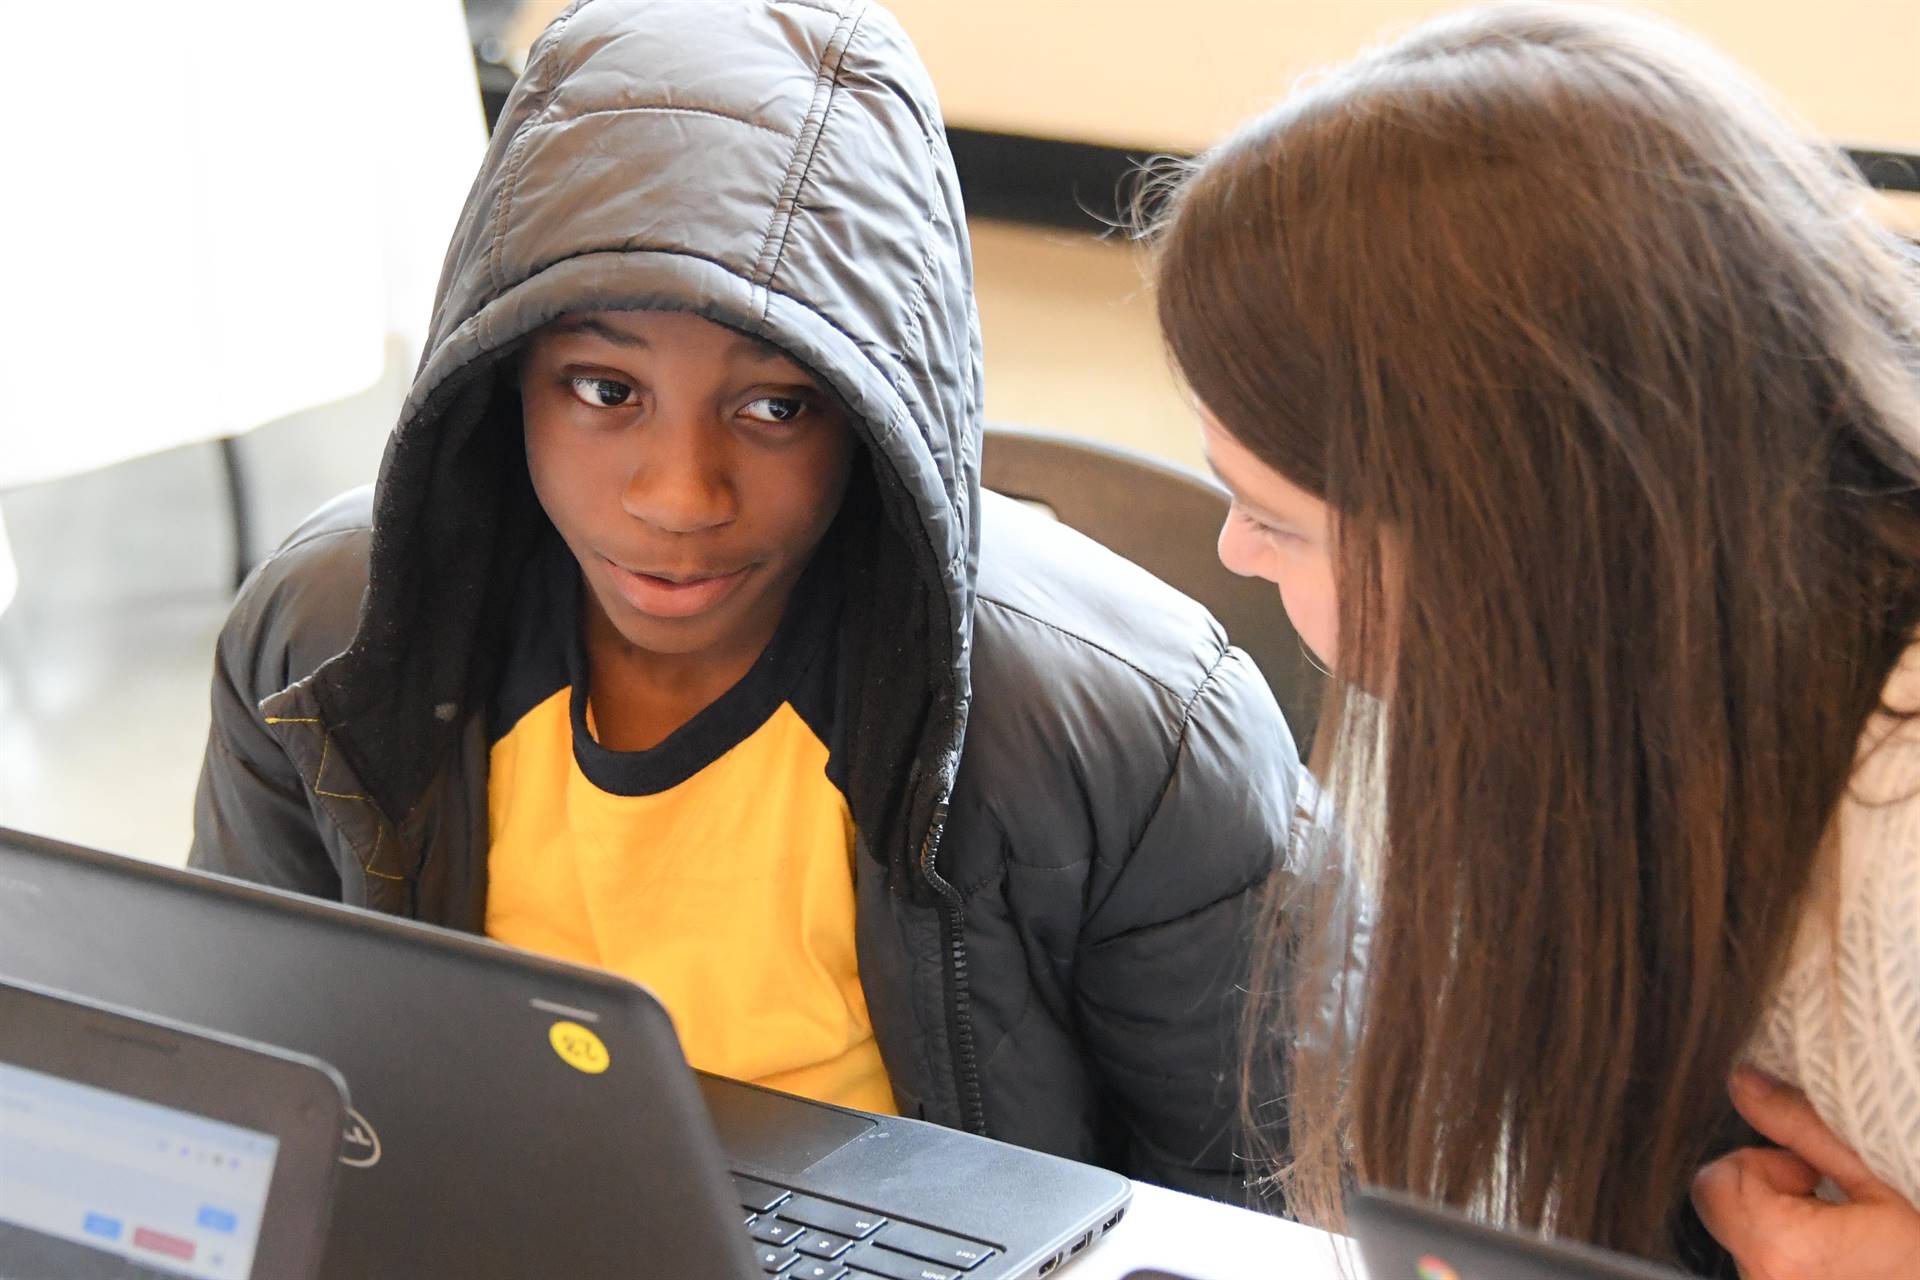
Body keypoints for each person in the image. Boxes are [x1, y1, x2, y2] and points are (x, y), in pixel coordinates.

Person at [188, 0, 1304, 1202]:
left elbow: (1255, 1212)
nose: (679, 495)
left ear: (881, 416)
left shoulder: (1141, 737)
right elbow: (239, 1101)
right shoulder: (327, 641)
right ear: (499, 372)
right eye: (605, 387)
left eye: (776, 406)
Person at [1146, 0, 1920, 1269]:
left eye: (1273, 517)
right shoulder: (1542, 703)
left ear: (1509, 546)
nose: (1232, 549)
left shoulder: (1896, 819)